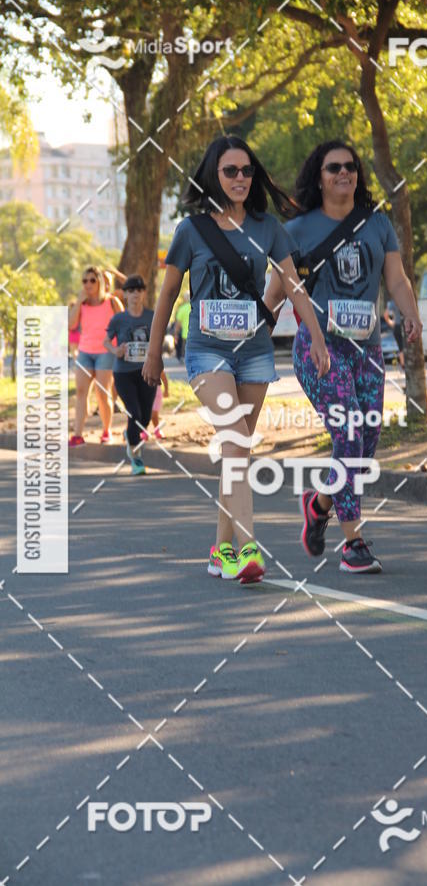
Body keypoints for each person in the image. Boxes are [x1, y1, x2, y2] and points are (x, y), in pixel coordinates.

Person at [141, 134, 329, 583]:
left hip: (255, 355)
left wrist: (316, 335)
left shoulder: (268, 228)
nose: (240, 178)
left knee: (235, 453)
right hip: (206, 352)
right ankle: (248, 548)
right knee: (237, 444)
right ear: (213, 175)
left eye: (246, 171)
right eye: (230, 171)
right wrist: (154, 353)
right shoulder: (191, 230)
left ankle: (220, 550)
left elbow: (293, 286)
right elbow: (167, 293)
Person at [278, 139, 422, 574]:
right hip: (319, 348)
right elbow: (277, 288)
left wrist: (410, 313)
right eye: (334, 167)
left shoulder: (377, 225)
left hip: (368, 350)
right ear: (318, 178)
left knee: (366, 442)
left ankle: (318, 504)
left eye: (351, 167)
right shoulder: (298, 230)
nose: (345, 173)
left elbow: (395, 279)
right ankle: (353, 543)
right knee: (350, 435)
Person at [103, 275, 156, 475]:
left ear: (144, 293)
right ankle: (136, 458)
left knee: (145, 417)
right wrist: (115, 350)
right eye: (130, 290)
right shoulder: (119, 318)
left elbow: (158, 341)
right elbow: (106, 341)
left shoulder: (152, 316)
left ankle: (131, 436)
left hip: (147, 371)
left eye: (138, 290)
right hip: (124, 372)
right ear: (124, 294)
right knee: (134, 413)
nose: (135, 294)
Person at [68, 266, 123, 446]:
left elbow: (124, 323)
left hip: (106, 352)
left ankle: (106, 431)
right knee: (81, 393)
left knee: (102, 392)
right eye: (84, 281)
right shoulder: (82, 304)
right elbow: (71, 324)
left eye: (92, 280)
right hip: (85, 352)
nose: (88, 284)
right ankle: (78, 435)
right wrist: (78, 301)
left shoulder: (112, 302)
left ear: (99, 281)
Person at [141, 369, 169, 441]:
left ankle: (157, 430)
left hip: (156, 393)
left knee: (154, 415)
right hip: (144, 393)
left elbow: (163, 376)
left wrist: (166, 389)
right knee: (144, 413)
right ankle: (144, 430)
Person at [383, 298, 405, 368]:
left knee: (400, 347)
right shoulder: (407, 300)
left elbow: (385, 315)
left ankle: (403, 365)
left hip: (397, 326)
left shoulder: (393, 302)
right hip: (406, 325)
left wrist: (392, 323)